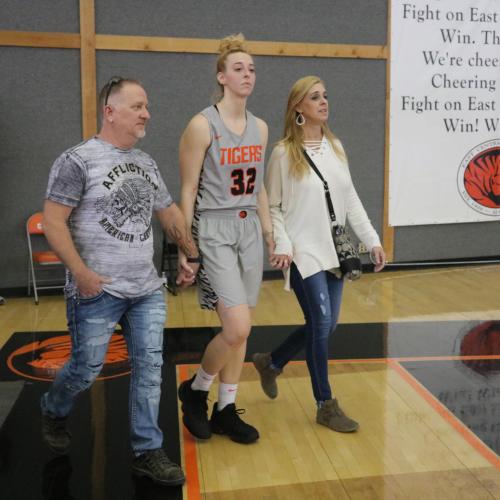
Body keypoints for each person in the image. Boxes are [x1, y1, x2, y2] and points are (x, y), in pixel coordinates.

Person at [40, 77, 200, 486]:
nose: (146, 113)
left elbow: (168, 213)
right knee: (85, 368)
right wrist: (81, 273)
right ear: (110, 112)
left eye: (146, 106)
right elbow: (53, 221)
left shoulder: (146, 163)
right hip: (97, 289)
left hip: (145, 289)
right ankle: (53, 408)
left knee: (149, 368)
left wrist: (190, 251)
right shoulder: (77, 160)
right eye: (137, 106)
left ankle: (146, 451)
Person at [253, 75, 386, 432]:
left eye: (325, 95)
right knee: (322, 323)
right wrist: (282, 244)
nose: (324, 102)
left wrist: (372, 239)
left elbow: (351, 198)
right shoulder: (283, 153)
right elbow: (274, 205)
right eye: (315, 97)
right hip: (303, 253)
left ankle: (272, 362)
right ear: (298, 107)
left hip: (335, 253)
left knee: (325, 324)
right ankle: (324, 404)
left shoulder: (335, 146)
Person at [177, 34, 278, 444]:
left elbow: (260, 189)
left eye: (252, 68)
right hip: (214, 228)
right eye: (238, 68)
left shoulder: (261, 127)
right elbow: (186, 189)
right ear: (221, 77)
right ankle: (197, 389)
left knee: (243, 329)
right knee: (236, 328)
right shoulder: (202, 124)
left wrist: (270, 233)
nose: (247, 74)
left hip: (249, 228)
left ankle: (225, 408)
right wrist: (187, 247)